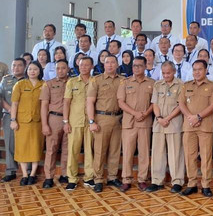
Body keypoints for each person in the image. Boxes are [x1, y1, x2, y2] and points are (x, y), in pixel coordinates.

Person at [178, 60, 213, 197]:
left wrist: (198, 117)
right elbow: (181, 103)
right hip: (189, 126)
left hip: (205, 127)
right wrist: (191, 117)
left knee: (206, 156)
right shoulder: (186, 86)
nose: (196, 72)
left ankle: (206, 185)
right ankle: (191, 184)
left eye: (199, 69)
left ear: (205, 70)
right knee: (190, 156)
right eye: (194, 69)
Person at [87, 55, 125, 192]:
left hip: (119, 119)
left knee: (115, 150)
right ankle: (98, 179)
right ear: (103, 64)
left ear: (117, 64)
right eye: (107, 62)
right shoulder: (96, 80)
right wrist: (91, 121)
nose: (110, 65)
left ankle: (112, 177)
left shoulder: (123, 81)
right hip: (102, 118)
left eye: (112, 62)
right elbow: (90, 102)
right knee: (100, 150)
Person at [147, 61, 185, 194]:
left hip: (174, 123)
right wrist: (159, 118)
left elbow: (181, 105)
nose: (166, 75)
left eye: (168, 73)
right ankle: (157, 181)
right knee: (157, 153)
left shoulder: (181, 85)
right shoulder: (157, 84)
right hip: (159, 123)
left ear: (174, 71)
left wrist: (167, 119)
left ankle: (177, 181)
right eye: (163, 73)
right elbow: (154, 103)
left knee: (176, 153)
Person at [118, 56, 155, 192]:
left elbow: (154, 102)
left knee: (144, 152)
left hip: (145, 122)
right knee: (127, 152)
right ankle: (126, 179)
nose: (136, 68)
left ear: (145, 66)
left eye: (139, 65)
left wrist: (145, 113)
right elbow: (121, 102)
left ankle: (142, 179)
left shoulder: (152, 83)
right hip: (129, 123)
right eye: (134, 66)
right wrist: (135, 113)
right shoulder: (125, 82)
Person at [10, 62, 45, 186]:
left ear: (39, 71)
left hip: (38, 121)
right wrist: (13, 120)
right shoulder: (20, 84)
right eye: (30, 69)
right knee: (22, 147)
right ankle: (24, 174)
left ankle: (33, 174)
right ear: (27, 71)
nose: (32, 71)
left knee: (36, 147)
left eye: (35, 69)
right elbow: (14, 103)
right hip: (22, 121)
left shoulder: (44, 85)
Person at [63, 57, 96, 190]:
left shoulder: (95, 81)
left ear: (92, 66)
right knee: (73, 150)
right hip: (75, 120)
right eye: (82, 65)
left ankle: (89, 178)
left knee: (89, 150)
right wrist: (65, 121)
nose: (84, 67)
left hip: (91, 121)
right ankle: (72, 178)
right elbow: (66, 102)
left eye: (87, 65)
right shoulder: (71, 82)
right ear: (78, 66)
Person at [40, 59, 71, 188]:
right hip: (54, 119)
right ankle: (49, 177)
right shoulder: (49, 84)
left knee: (67, 149)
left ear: (68, 69)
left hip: (70, 119)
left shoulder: (73, 82)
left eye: (63, 68)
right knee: (51, 150)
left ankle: (65, 174)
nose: (60, 71)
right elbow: (44, 105)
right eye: (58, 68)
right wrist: (45, 124)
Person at [0, 58, 26, 183]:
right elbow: (0, 97)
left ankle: (29, 171)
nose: (16, 68)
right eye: (14, 65)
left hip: (26, 117)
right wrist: (10, 110)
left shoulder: (29, 80)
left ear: (25, 67)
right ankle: (11, 171)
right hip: (9, 115)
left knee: (26, 143)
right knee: (10, 143)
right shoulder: (6, 80)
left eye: (20, 65)